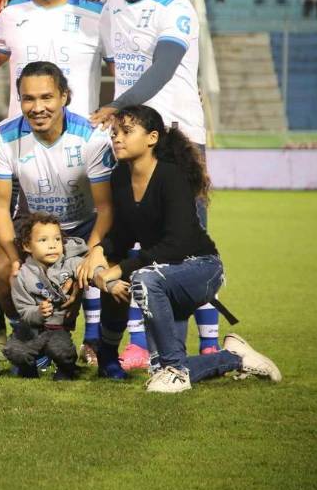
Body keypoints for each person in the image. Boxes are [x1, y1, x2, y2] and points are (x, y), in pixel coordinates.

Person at [90, 0, 219, 360]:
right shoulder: (109, 5)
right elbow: (115, 61)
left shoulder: (176, 8)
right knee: (131, 240)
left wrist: (114, 106)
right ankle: (141, 344)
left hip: (177, 137)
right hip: (130, 137)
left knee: (185, 244)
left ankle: (205, 345)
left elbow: (163, 69)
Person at [88, 105, 281, 393]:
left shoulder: (170, 176)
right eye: (115, 133)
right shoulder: (119, 177)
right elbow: (124, 234)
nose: (117, 138)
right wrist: (99, 253)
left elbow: (175, 244)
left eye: (127, 132)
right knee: (165, 367)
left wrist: (119, 269)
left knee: (142, 278)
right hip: (161, 275)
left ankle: (176, 372)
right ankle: (235, 357)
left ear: (152, 137)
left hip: (200, 268)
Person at [0, 61, 115, 372]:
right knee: (3, 269)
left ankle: (103, 348)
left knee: (110, 273)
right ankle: (31, 338)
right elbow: (0, 207)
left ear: (64, 97)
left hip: (86, 227)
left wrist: (92, 252)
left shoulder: (92, 137)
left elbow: (108, 208)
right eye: (28, 99)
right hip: (35, 230)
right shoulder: (3, 136)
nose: (37, 107)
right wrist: (16, 256)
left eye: (46, 97)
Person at [3, 212, 85, 380]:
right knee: (15, 351)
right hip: (30, 329)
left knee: (62, 352)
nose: (52, 245)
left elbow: (94, 271)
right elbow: (24, 310)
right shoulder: (22, 275)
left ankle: (66, 370)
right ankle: (27, 370)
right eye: (43, 240)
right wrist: (38, 313)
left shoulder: (70, 263)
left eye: (57, 239)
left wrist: (111, 283)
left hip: (57, 328)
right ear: (27, 246)